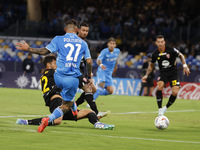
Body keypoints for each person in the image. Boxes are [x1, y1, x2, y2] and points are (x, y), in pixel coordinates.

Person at [15, 19, 93, 133]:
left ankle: (74, 109)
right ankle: (49, 119)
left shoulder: (58, 38)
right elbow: (89, 62)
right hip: (71, 79)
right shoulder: (83, 43)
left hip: (58, 77)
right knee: (66, 106)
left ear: (65, 29)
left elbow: (44, 52)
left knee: (67, 96)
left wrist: (28, 49)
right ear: (77, 30)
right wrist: (89, 76)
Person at [16, 55, 114, 130]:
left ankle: (97, 123)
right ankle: (26, 122)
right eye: (55, 63)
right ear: (48, 65)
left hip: (64, 103)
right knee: (57, 120)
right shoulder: (52, 72)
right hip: (56, 100)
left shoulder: (47, 74)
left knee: (89, 112)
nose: (57, 65)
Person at [142, 35, 190, 116]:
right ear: (156, 43)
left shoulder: (171, 50)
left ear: (164, 42)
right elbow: (151, 65)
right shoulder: (155, 54)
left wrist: (185, 65)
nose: (160, 43)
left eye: (162, 42)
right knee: (159, 86)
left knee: (175, 92)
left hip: (173, 73)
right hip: (163, 73)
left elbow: (181, 55)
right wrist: (146, 75)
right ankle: (160, 109)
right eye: (158, 42)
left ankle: (165, 107)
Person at [75, 22, 110, 117]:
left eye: (87, 31)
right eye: (83, 30)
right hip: (73, 70)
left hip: (81, 71)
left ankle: (74, 105)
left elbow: (87, 60)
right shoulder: (72, 40)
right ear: (78, 30)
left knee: (92, 89)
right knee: (89, 90)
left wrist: (89, 75)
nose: (85, 32)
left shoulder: (87, 43)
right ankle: (96, 113)